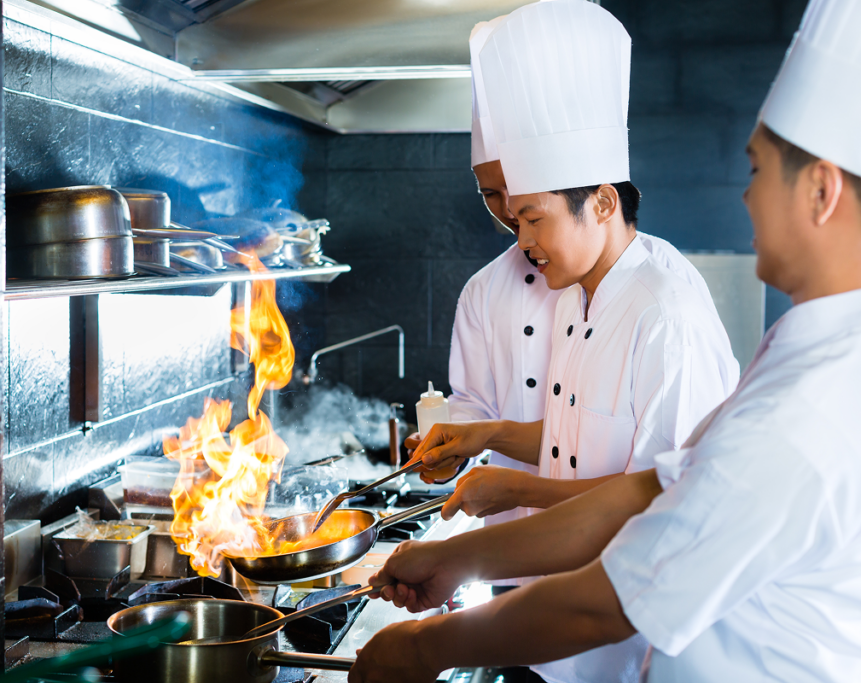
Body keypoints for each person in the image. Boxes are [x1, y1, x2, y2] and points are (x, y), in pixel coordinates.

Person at [348, 0, 861, 681]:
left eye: (759, 169)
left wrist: (422, 647)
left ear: (821, 192)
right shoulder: (804, 355)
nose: (745, 197)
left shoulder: (803, 403)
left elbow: (615, 595)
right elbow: (654, 489)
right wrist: (463, 556)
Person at [409, 3, 738, 682]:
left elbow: (658, 503)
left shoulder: (664, 313)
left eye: (532, 216)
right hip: (552, 636)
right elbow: (575, 438)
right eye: (510, 212)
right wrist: (489, 435)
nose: (521, 240)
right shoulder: (574, 293)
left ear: (604, 204)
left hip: (627, 648)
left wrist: (503, 499)